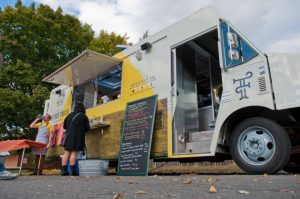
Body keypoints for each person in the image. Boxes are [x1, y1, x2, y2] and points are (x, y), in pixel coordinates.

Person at [61, 104, 90, 176]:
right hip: (77, 136)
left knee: (66, 153)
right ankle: (72, 171)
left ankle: (64, 171)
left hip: (68, 136)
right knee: (74, 153)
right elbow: (87, 128)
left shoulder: (69, 115)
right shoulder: (83, 116)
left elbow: (64, 126)